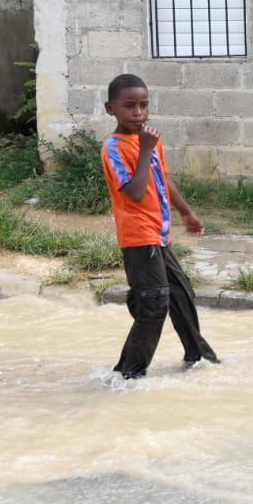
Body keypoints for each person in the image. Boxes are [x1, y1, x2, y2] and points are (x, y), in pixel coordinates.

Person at [101, 73, 219, 379]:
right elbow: (135, 192)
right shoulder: (114, 148)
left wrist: (187, 213)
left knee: (181, 294)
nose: (138, 113)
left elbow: (162, 178)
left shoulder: (150, 141)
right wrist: (145, 150)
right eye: (129, 106)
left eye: (143, 105)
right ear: (110, 109)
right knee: (154, 305)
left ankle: (199, 357)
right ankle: (127, 375)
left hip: (158, 234)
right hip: (139, 237)